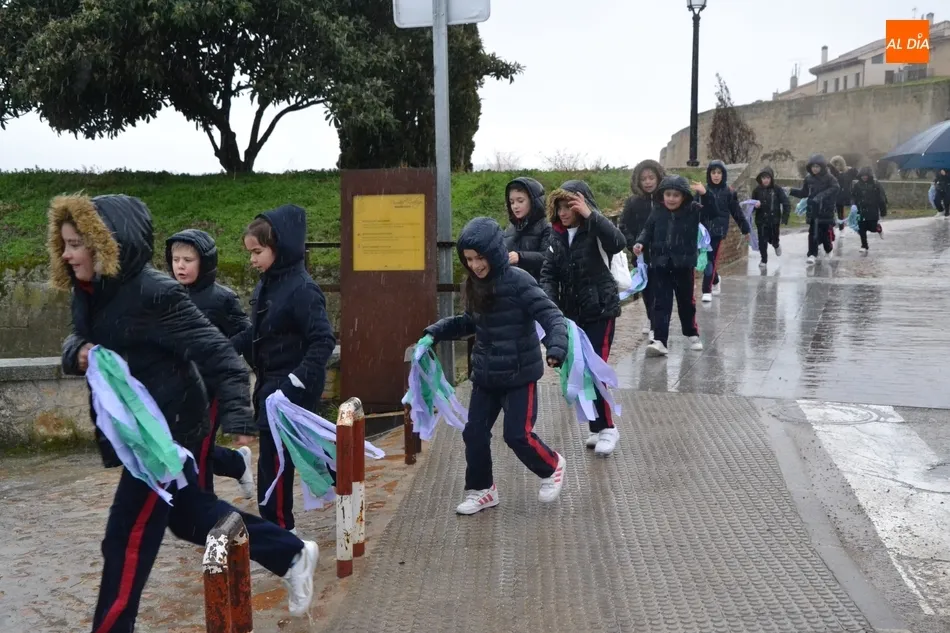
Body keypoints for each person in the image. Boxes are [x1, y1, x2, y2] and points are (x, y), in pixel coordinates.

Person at [50, 194, 318, 632]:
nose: (67, 253)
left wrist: (238, 419)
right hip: (141, 430)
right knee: (190, 517)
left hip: (167, 432)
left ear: (106, 243)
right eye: (63, 243)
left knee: (126, 538)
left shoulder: (154, 293)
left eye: (76, 243)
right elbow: (75, 337)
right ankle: (291, 553)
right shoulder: (90, 291)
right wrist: (76, 352)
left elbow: (223, 356)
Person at [423, 217, 568, 515]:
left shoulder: (519, 281)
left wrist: (556, 346)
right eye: (469, 260)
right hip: (486, 375)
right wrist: (435, 332)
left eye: (480, 258)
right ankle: (483, 490)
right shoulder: (474, 284)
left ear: (494, 252)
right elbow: (469, 321)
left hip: (519, 374)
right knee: (474, 433)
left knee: (517, 435)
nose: (475, 265)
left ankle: (552, 465)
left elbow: (551, 315)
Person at [231, 205, 337, 534]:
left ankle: (279, 529)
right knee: (284, 457)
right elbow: (261, 331)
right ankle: (280, 526)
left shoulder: (303, 289)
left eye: (257, 252)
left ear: (280, 248)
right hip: (270, 386)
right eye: (250, 253)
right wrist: (227, 347)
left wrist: (294, 382)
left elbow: (323, 340)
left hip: (291, 390)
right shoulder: (267, 284)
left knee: (279, 459)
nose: (252, 260)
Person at [165, 229, 255, 498]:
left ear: (204, 262)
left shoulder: (222, 299)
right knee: (179, 448)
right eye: (175, 260)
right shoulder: (166, 294)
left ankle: (205, 508)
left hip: (210, 388)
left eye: (188, 260)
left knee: (200, 451)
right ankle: (236, 462)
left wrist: (221, 351)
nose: (180, 266)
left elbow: (248, 333)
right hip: (176, 389)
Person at [540, 180, 627, 456]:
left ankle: (608, 428)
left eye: (569, 206)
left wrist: (591, 215)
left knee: (595, 368)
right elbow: (548, 274)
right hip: (572, 315)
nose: (563, 213)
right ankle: (597, 427)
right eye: (559, 207)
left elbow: (618, 242)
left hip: (600, 311)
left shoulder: (595, 229)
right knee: (578, 369)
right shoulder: (556, 237)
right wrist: (551, 306)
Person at [632, 175, 703, 358]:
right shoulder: (657, 211)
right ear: (662, 195)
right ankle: (660, 340)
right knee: (660, 304)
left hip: (684, 265)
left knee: (686, 302)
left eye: (676, 195)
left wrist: (706, 195)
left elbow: (711, 212)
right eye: (668, 194)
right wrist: (640, 243)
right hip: (660, 264)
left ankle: (691, 332)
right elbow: (647, 230)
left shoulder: (693, 210)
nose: (671, 199)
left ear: (684, 197)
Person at [619, 159, 667, 339]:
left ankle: (656, 323)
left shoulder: (666, 199)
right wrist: (632, 244)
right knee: (647, 290)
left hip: (662, 253)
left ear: (658, 178)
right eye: (643, 179)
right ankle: (651, 319)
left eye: (651, 177)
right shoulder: (633, 202)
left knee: (660, 290)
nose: (648, 182)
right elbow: (624, 225)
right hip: (642, 255)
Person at [697, 160, 751, 303]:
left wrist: (745, 229)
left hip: (718, 232)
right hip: (703, 232)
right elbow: (694, 209)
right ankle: (715, 279)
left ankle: (706, 290)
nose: (716, 175)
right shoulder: (702, 190)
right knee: (704, 259)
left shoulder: (729, 192)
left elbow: (736, 212)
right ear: (709, 174)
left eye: (719, 173)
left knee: (710, 260)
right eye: (713, 172)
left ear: (723, 174)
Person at [788, 154, 840, 265]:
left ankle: (829, 249)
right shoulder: (808, 178)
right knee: (813, 233)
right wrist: (791, 191)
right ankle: (812, 254)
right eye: (813, 166)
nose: (815, 169)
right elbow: (804, 193)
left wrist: (821, 196)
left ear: (822, 167)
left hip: (826, 210)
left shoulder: (830, 178)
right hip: (813, 210)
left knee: (824, 233)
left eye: (817, 166)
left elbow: (836, 188)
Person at [503, 177, 551, 282]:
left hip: (538, 287)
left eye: (520, 201)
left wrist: (520, 257)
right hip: (512, 286)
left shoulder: (546, 227)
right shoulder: (509, 229)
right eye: (512, 202)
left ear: (533, 201)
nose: (515, 206)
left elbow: (548, 258)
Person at [749, 167, 791, 268]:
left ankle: (776, 245)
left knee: (773, 239)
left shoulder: (777, 189)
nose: (766, 180)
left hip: (774, 220)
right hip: (761, 220)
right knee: (762, 241)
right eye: (763, 178)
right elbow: (751, 204)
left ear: (771, 178)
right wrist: (755, 206)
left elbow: (786, 203)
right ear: (760, 179)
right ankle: (763, 260)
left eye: (768, 178)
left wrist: (785, 217)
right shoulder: (757, 190)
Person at [850, 167, 887, 254]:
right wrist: (853, 205)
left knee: (872, 227)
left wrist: (883, 210)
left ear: (869, 176)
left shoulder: (875, 184)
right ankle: (864, 245)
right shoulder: (857, 185)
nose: (864, 177)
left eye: (866, 175)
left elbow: (881, 198)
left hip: (872, 210)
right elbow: (853, 196)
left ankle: (878, 229)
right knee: (861, 228)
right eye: (862, 176)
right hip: (860, 210)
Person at [829, 155, 859, 234]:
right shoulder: (831, 174)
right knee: (831, 212)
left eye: (838, 164)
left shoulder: (848, 172)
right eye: (835, 165)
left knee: (840, 212)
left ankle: (841, 229)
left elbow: (857, 174)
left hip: (843, 196)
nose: (837, 166)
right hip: (833, 196)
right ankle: (832, 227)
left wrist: (850, 169)